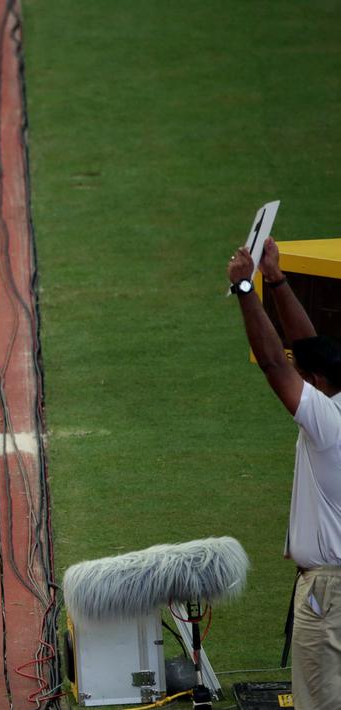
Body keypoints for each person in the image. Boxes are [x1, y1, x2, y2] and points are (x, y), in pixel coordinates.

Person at [228, 238, 341, 710]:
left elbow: (277, 363)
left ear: (318, 383)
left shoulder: (329, 425)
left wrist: (245, 288)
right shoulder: (333, 408)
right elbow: (306, 347)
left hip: (329, 592)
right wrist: (276, 281)